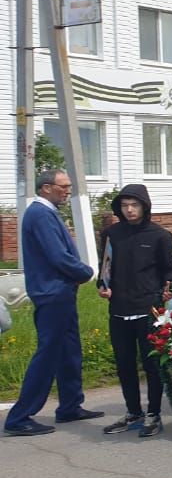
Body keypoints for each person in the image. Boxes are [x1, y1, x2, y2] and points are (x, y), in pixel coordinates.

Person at [4, 171, 101, 436]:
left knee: (69, 351)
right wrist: (85, 272)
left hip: (60, 292)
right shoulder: (40, 214)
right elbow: (57, 256)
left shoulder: (46, 212)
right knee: (48, 354)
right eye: (63, 186)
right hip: (51, 292)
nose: (67, 190)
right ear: (46, 188)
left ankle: (70, 405)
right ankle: (20, 417)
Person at [99, 184, 172, 438]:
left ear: (144, 207)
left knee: (152, 365)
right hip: (119, 309)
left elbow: (171, 270)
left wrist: (170, 287)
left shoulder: (160, 235)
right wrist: (102, 286)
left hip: (148, 309)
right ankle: (133, 412)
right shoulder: (112, 234)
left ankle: (153, 413)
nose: (129, 210)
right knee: (124, 365)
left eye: (134, 205)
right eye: (124, 206)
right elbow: (105, 268)